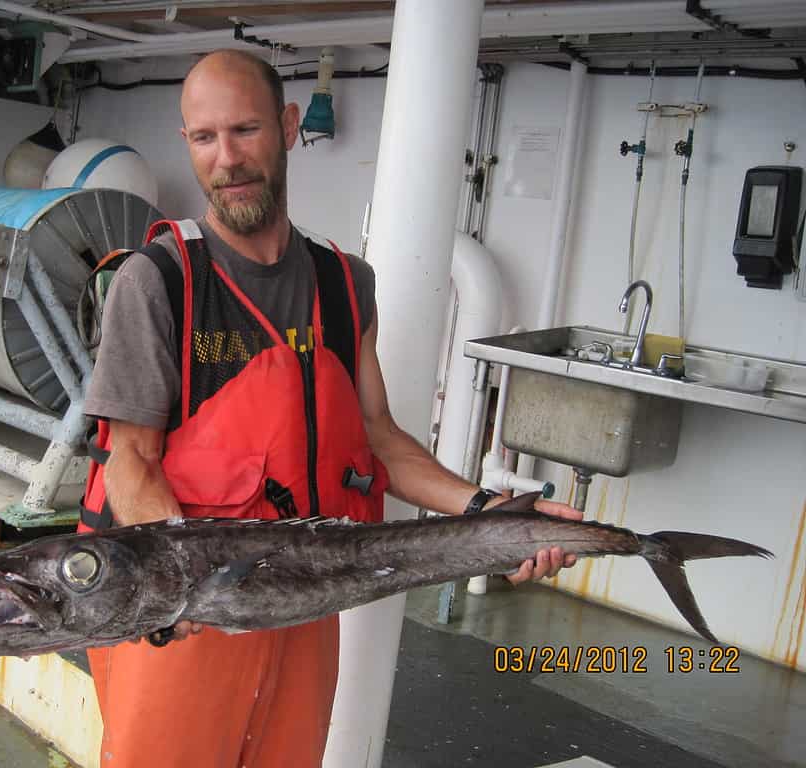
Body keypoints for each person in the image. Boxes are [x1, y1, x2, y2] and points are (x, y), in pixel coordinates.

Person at [79, 49, 582, 768]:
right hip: (187, 618)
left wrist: (488, 512)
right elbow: (130, 461)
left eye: (245, 130)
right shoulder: (157, 281)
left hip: (302, 600)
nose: (227, 159)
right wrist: (184, 593)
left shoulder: (346, 285)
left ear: (287, 126)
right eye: (204, 138)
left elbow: (378, 440)